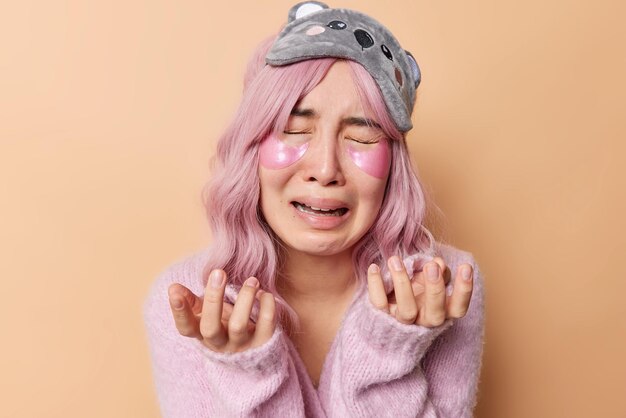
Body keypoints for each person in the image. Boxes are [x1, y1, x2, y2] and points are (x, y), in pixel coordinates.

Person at [143, 2, 484, 417]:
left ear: (394, 164)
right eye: (295, 129)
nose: (325, 170)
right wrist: (246, 370)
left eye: (362, 135)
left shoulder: (441, 288)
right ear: (251, 148)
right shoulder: (193, 305)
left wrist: (388, 352)